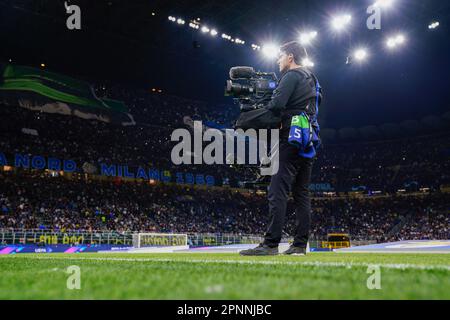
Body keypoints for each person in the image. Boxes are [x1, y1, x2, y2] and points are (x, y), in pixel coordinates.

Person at [240, 41, 322, 256]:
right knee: (301, 193)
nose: (278, 60)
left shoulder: (292, 76)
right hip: (309, 137)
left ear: (290, 57)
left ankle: (270, 244)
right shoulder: (312, 79)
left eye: (280, 56)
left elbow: (277, 105)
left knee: (277, 190)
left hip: (290, 136)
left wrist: (254, 114)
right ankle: (299, 245)